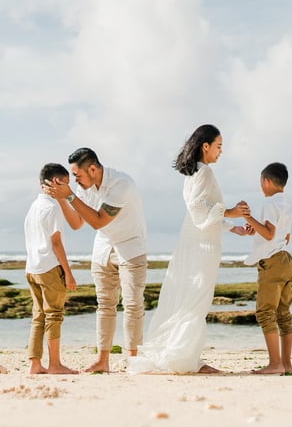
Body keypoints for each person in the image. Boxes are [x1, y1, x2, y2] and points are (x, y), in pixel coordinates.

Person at [128, 124, 249, 374]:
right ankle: (183, 359)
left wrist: (232, 227)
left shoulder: (193, 174)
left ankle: (186, 356)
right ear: (205, 146)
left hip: (194, 240)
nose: (221, 151)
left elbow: (201, 212)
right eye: (218, 146)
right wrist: (231, 212)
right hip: (203, 246)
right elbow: (198, 208)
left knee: (189, 297)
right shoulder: (205, 173)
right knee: (197, 300)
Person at [43, 148, 147, 373]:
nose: (76, 181)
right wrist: (61, 198)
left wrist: (69, 196)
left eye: (77, 175)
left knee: (132, 305)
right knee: (105, 306)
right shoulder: (85, 188)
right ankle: (102, 360)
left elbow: (99, 220)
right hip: (103, 249)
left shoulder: (121, 184)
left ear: (92, 169)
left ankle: (133, 360)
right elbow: (76, 223)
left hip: (130, 247)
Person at [232, 162, 292, 374]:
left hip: (272, 262)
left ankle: (275, 364)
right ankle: (286, 364)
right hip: (286, 260)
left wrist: (247, 217)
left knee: (265, 313)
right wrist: (254, 227)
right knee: (283, 314)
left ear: (266, 182)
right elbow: (284, 236)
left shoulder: (269, 203)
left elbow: (268, 234)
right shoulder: (286, 204)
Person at [24, 163, 78, 375]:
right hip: (49, 267)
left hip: (32, 268)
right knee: (54, 315)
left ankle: (35, 364)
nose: (68, 188)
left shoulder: (34, 207)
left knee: (38, 316)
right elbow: (56, 243)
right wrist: (69, 273)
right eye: (66, 183)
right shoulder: (52, 208)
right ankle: (55, 365)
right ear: (56, 182)